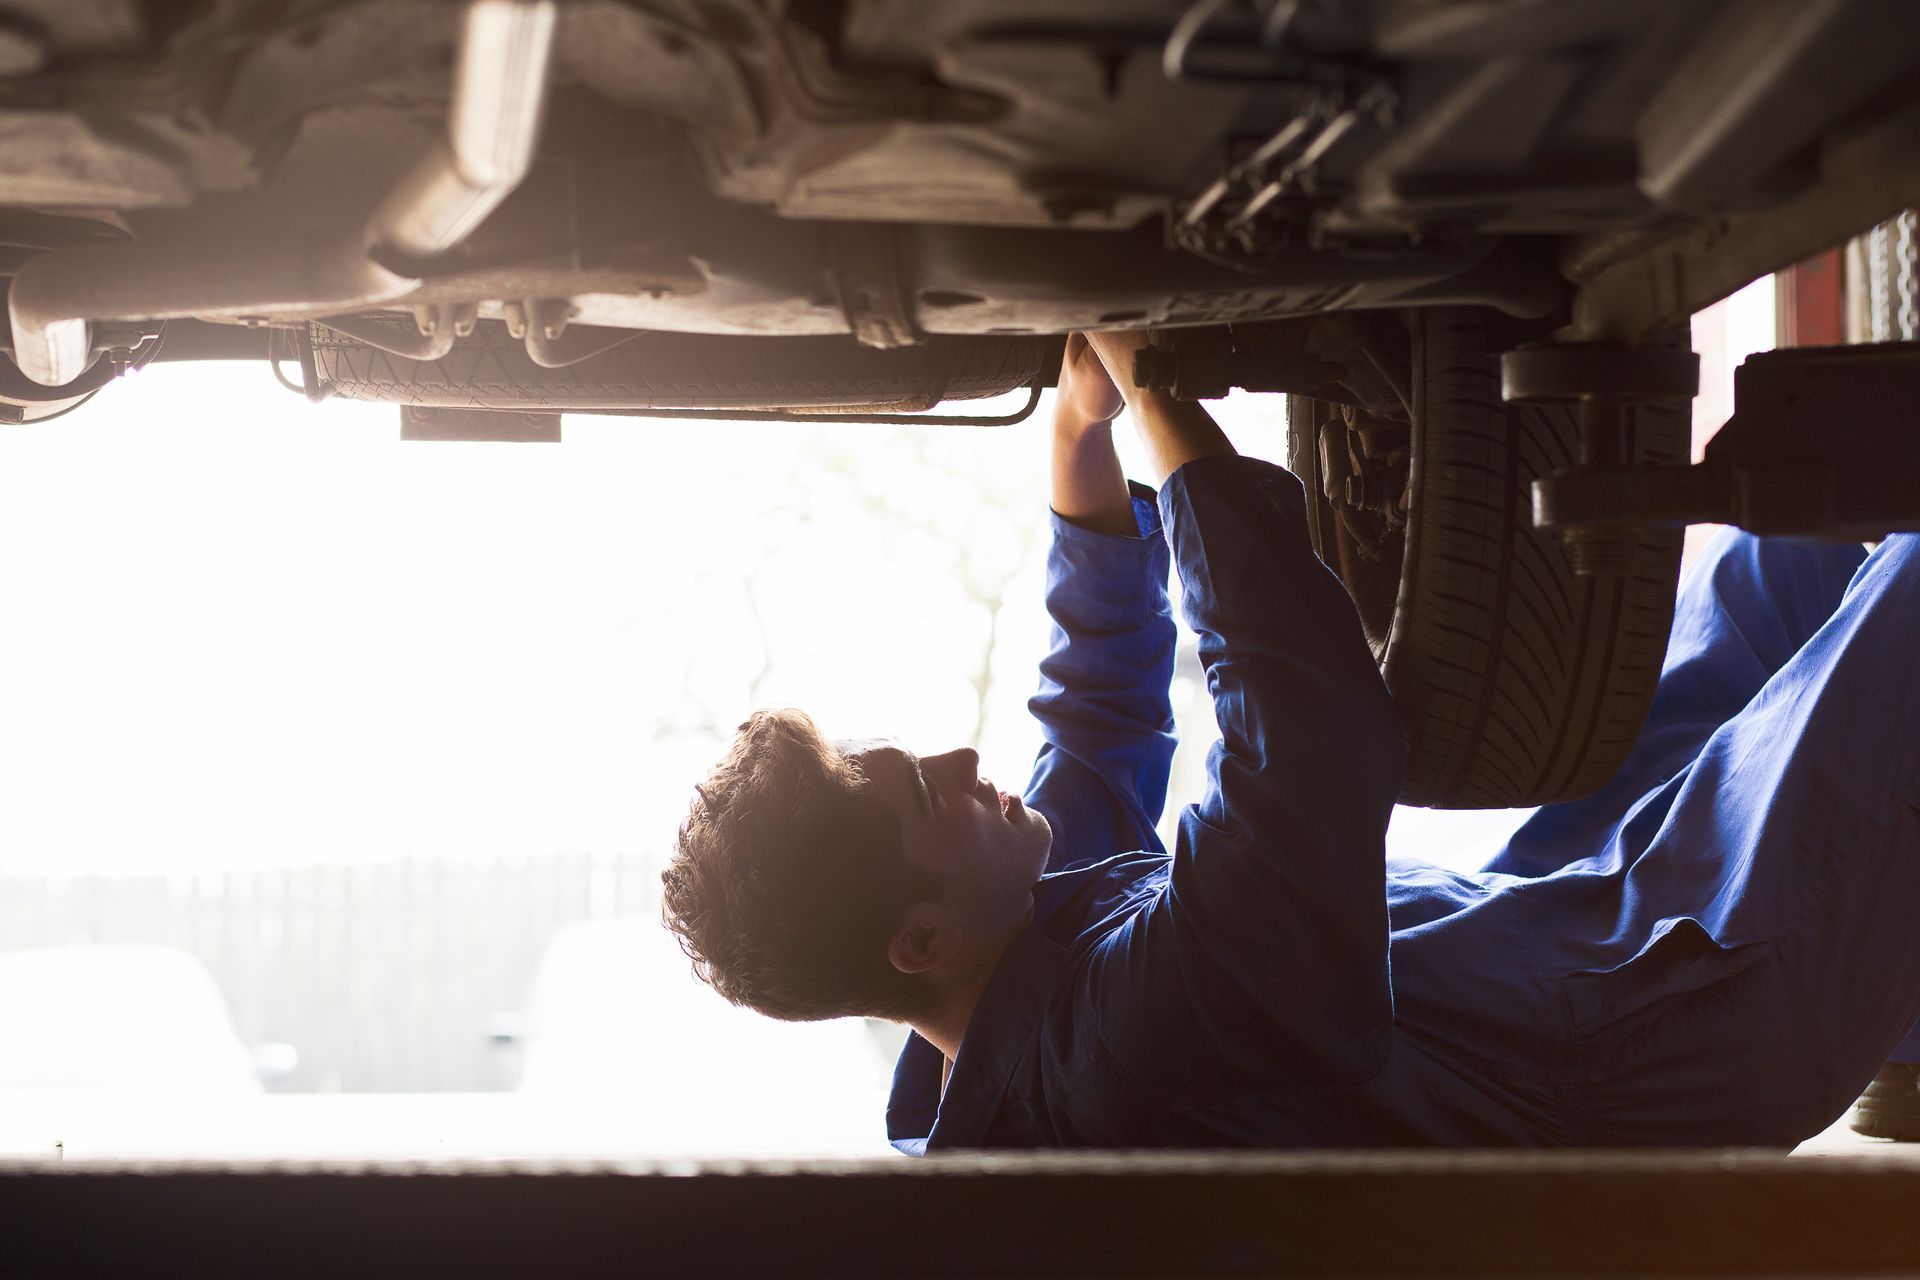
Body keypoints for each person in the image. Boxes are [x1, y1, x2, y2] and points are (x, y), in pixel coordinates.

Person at [661, 330, 1920, 1151]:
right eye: (917, 795)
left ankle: (1904, 1000)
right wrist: (1168, 413)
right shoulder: (1114, 1064)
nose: (954, 761)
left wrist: (1079, 448)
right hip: (1686, 1014)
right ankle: (1874, 973)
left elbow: (1092, 742)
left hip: (1565, 926)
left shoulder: (1003, 989)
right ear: (920, 936)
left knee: (1781, 563)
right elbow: (1305, 745)